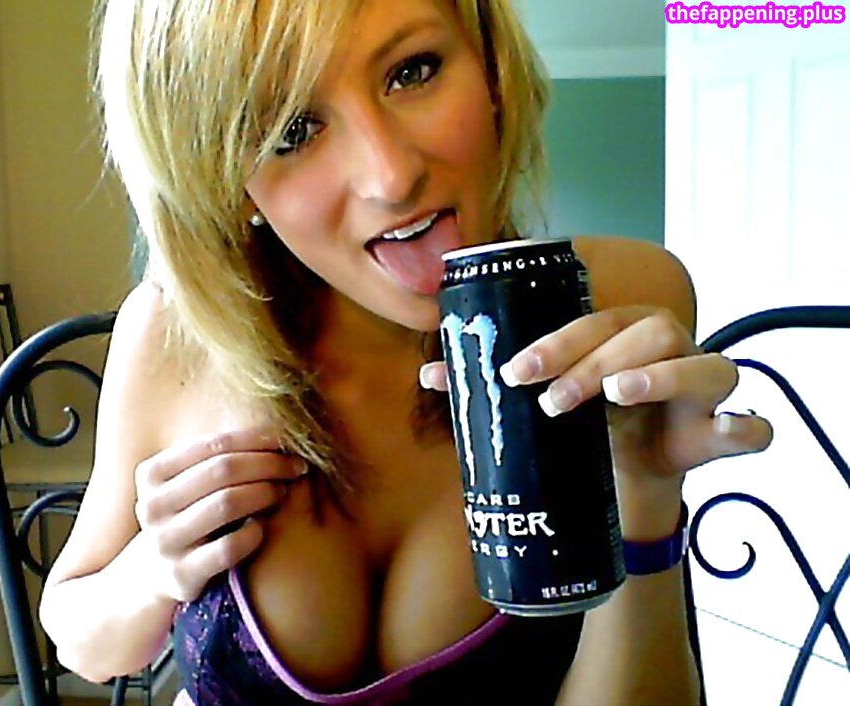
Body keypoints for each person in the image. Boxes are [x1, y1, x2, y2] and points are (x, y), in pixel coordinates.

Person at [39, 1, 774, 704]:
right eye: (291, 130)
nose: (391, 176)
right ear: (225, 176)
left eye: (412, 71)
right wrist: (153, 570)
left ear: (491, 68)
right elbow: (83, 643)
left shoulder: (615, 297)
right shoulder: (177, 339)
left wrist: (643, 495)